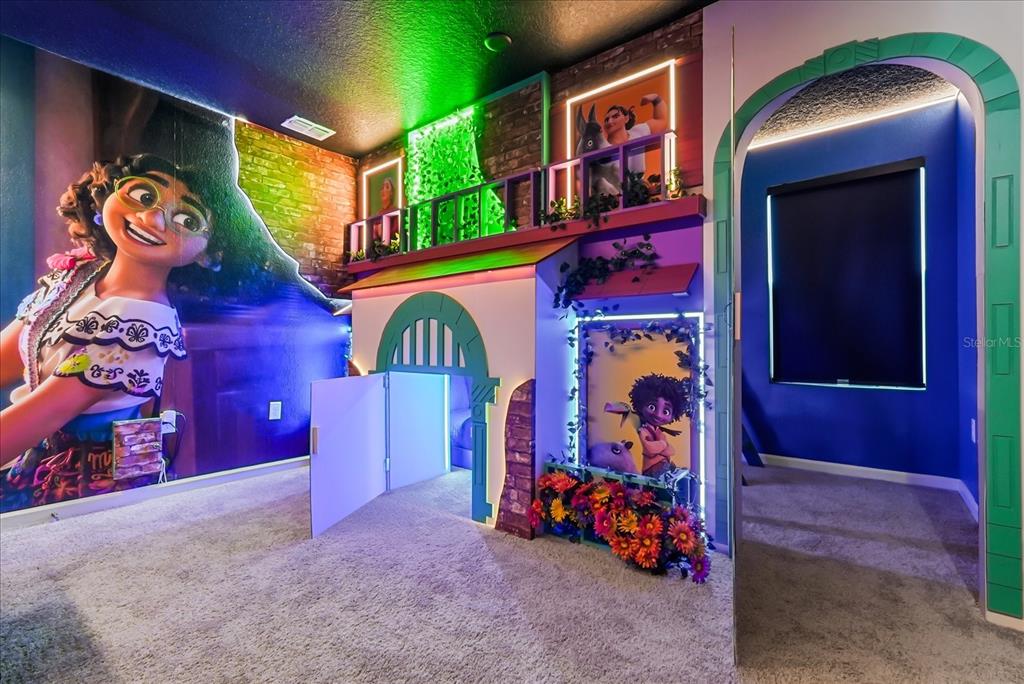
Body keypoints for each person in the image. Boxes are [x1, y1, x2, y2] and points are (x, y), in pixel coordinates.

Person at [0, 153, 303, 512]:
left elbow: (47, 413)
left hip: (76, 490)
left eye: (186, 220)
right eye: (144, 196)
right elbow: (10, 354)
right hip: (30, 464)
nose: (152, 218)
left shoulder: (142, 320)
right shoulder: (79, 274)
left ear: (209, 253)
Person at [605, 373, 688, 478]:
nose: (658, 415)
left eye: (666, 411)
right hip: (652, 469)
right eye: (652, 407)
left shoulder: (658, 431)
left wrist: (663, 447)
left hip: (662, 467)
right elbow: (651, 449)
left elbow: (671, 451)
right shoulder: (644, 430)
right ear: (640, 403)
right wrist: (663, 445)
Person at [590, 94, 669, 197]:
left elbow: (661, 121)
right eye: (606, 120)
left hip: (638, 193)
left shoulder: (638, 132)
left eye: (615, 116)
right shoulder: (603, 149)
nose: (610, 121)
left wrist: (655, 99)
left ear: (626, 118)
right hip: (614, 197)